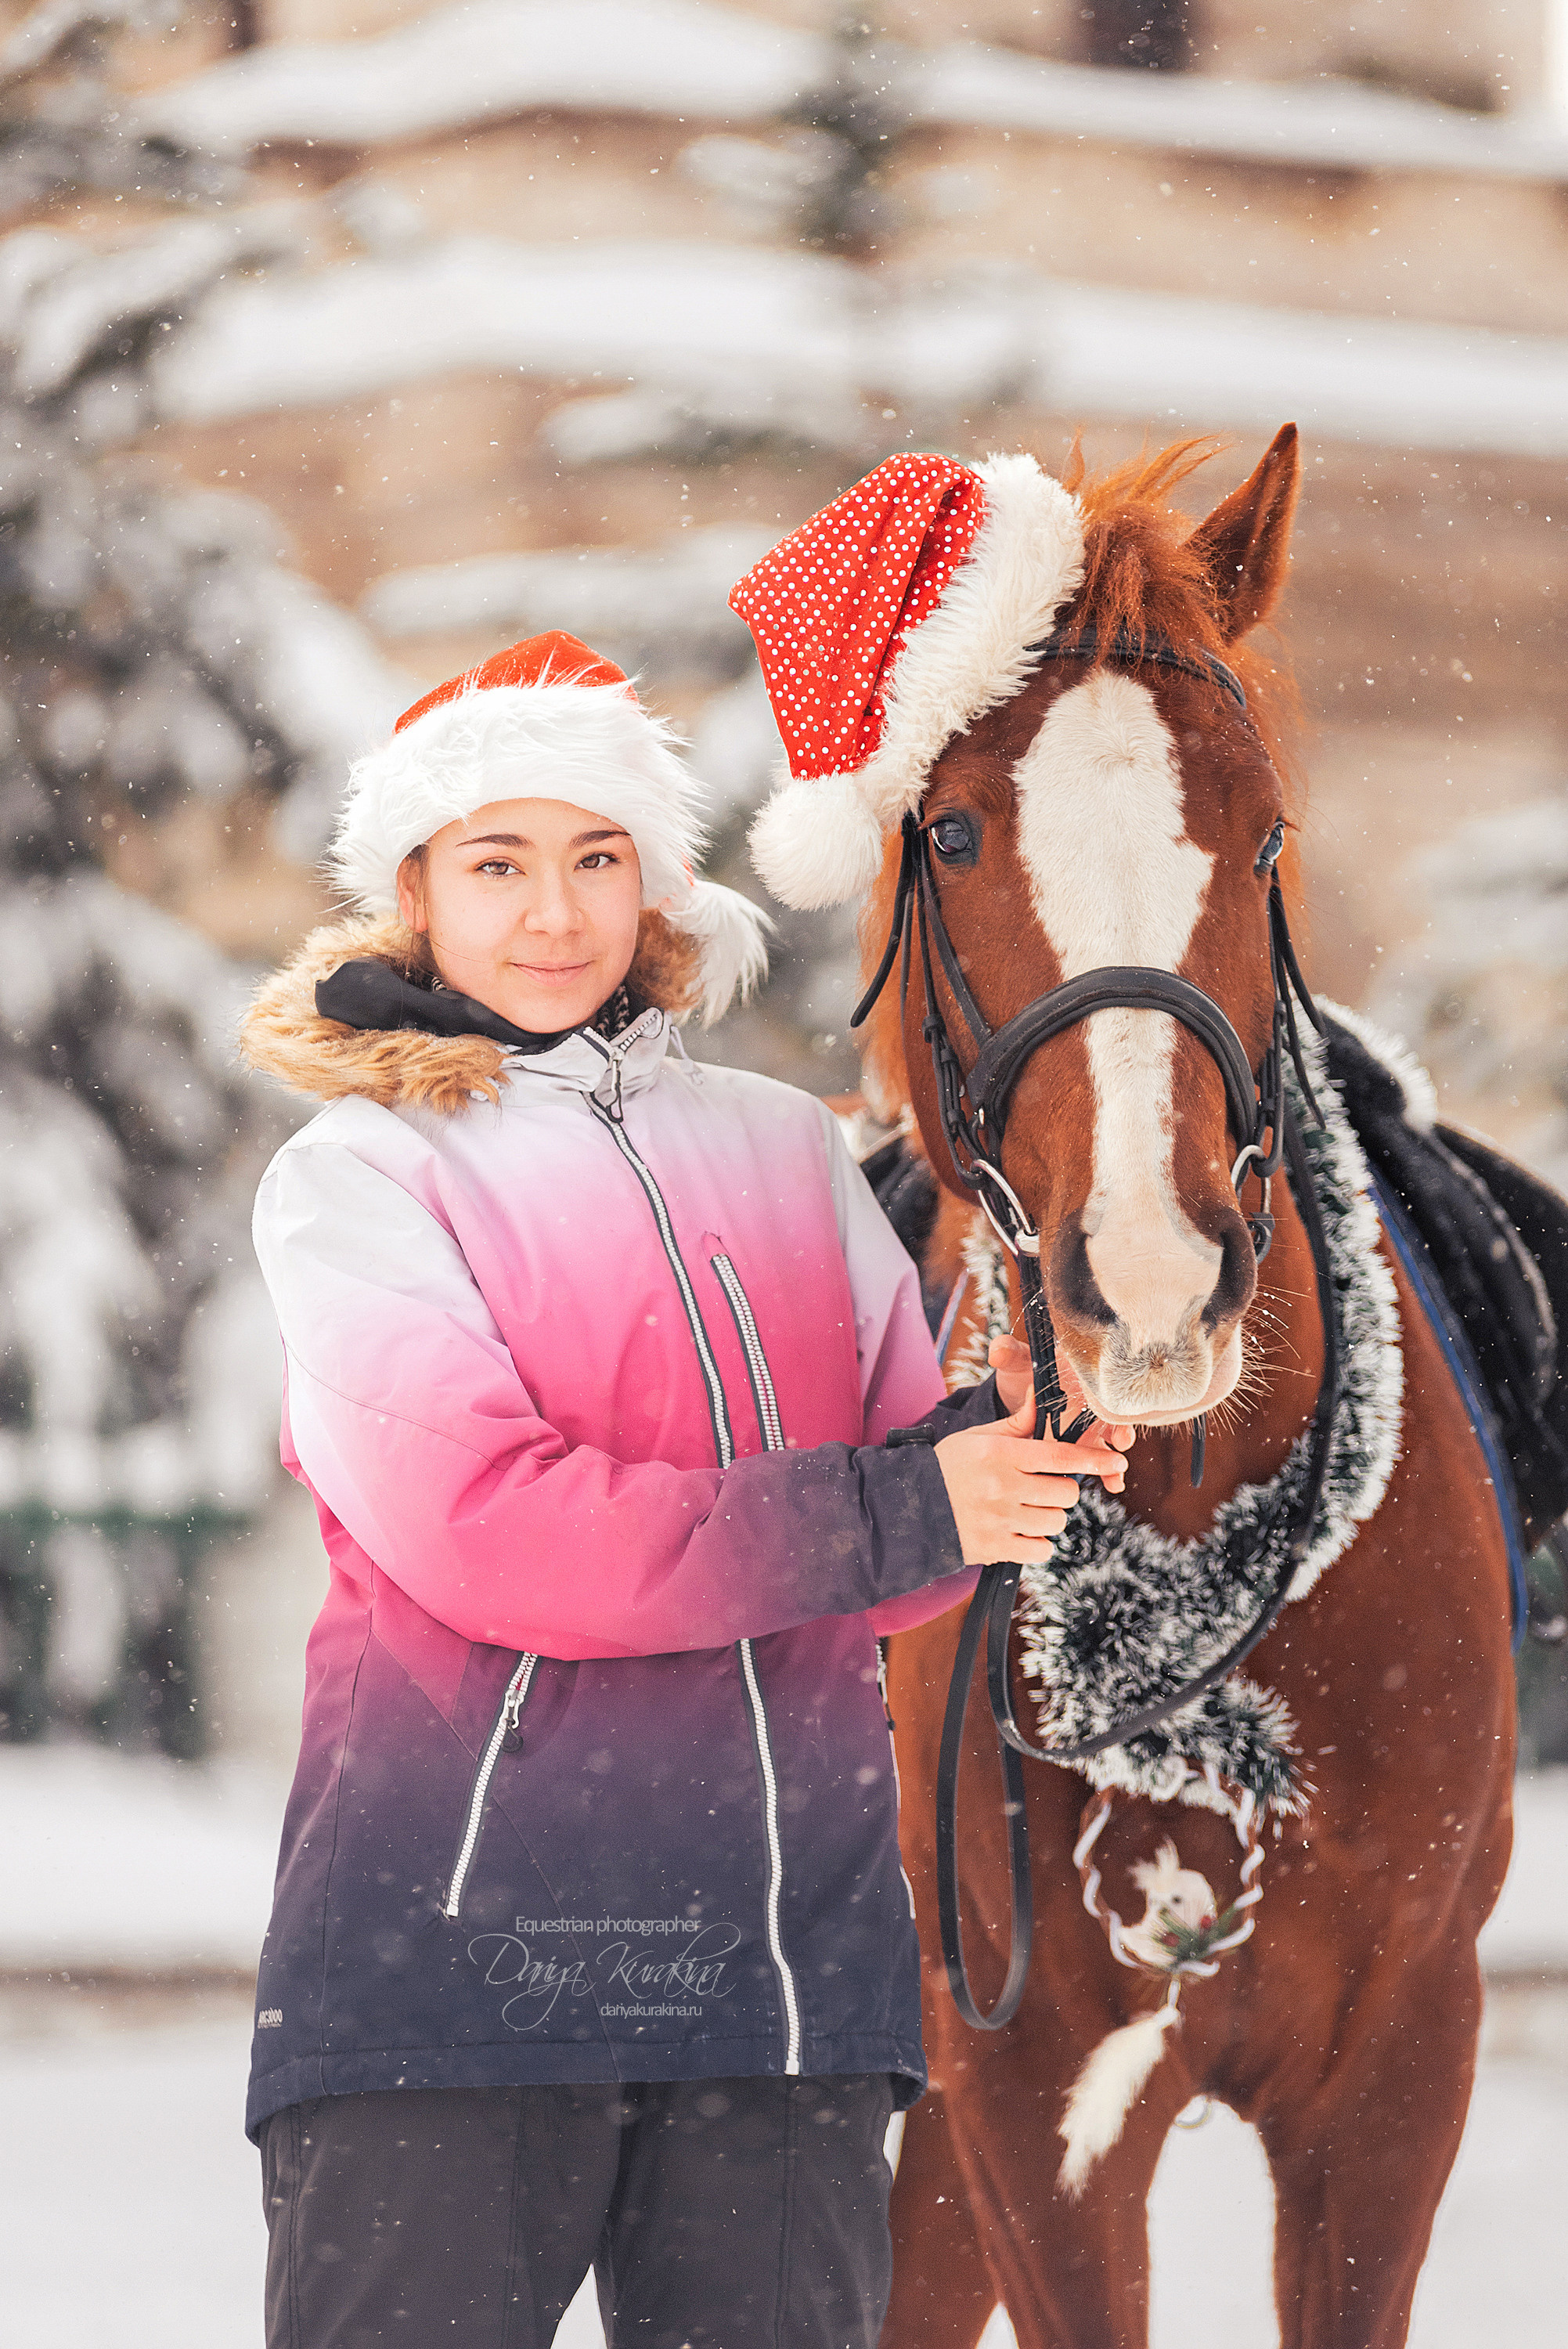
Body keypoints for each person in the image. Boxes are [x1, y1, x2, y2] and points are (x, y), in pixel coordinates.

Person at [240, 630, 1128, 2349]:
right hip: (457, 1975)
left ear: (655, 884)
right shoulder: (358, 1177)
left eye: (596, 859)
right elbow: (503, 1534)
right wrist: (905, 1508)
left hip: (781, 1987)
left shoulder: (785, 1147)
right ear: (413, 893)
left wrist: (1013, 1438)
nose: (554, 912)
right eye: (497, 864)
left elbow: (908, 1537)